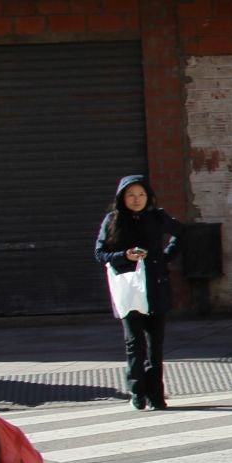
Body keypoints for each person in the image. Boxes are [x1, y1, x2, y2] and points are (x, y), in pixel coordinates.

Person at [94, 174, 181, 409]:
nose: (136, 199)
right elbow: (100, 253)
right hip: (128, 289)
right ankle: (137, 392)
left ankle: (156, 396)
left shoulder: (157, 217)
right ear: (122, 197)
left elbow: (180, 233)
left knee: (155, 345)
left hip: (155, 286)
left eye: (141, 194)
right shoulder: (112, 220)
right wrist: (125, 256)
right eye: (131, 195)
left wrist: (165, 257)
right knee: (134, 343)